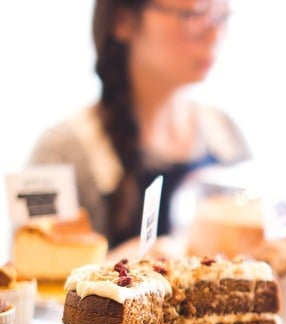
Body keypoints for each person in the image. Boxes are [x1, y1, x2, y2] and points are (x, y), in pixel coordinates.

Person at [28, 0, 250, 250]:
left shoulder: (225, 135)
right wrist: (113, 264)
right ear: (122, 20)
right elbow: (33, 266)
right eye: (194, 15)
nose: (214, 35)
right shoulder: (63, 152)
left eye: (221, 16)